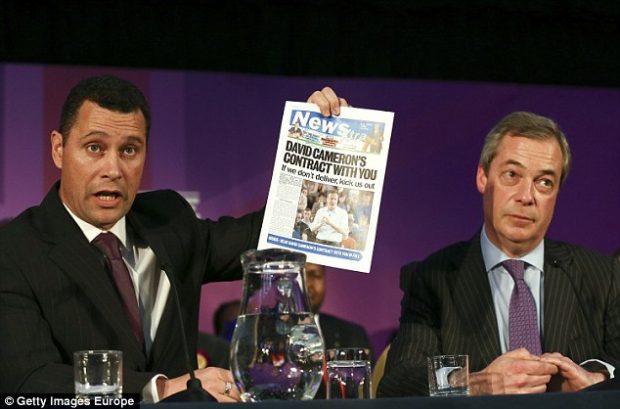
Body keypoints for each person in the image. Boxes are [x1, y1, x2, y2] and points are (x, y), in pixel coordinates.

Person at [0, 75, 347, 401]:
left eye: (129, 150)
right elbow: (30, 379)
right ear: (59, 149)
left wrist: (324, 147)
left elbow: (272, 234)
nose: (113, 169)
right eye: (94, 148)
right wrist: (162, 388)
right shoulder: (15, 251)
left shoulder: (168, 221)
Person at [378, 111, 620, 397]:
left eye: (544, 182)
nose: (526, 196)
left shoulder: (602, 275)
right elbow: (399, 383)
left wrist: (599, 381)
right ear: (483, 177)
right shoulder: (434, 279)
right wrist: (481, 383)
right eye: (512, 175)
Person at [304, 262, 373, 398]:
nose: (307, 284)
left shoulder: (353, 334)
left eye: (314, 275)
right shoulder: (263, 334)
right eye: (299, 275)